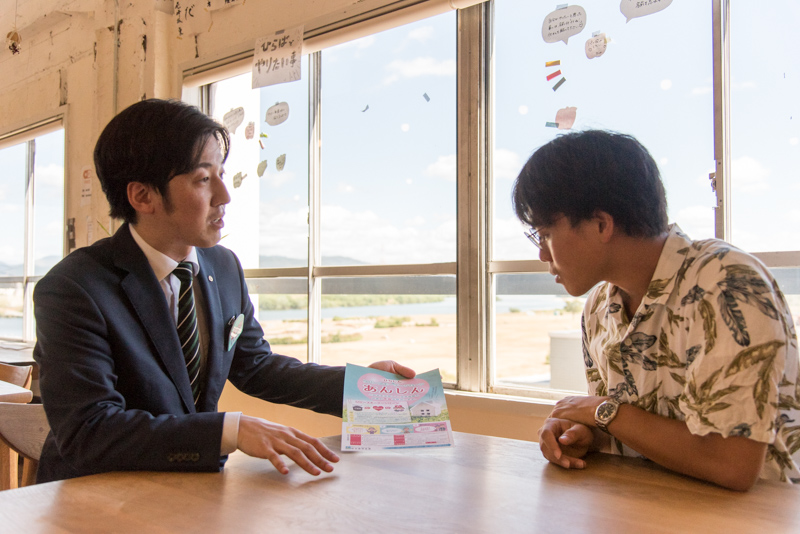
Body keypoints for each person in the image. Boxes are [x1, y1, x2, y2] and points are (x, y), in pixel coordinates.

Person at [33, 99, 414, 483]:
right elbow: (90, 431)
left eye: (222, 174)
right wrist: (231, 430)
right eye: (203, 179)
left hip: (187, 488)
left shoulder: (223, 266)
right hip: (94, 494)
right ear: (143, 196)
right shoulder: (73, 289)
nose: (224, 196)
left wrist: (360, 387)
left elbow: (257, 367)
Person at [512, 129, 800, 491]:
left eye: (544, 234)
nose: (542, 253)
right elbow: (626, 430)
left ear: (601, 224)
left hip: (758, 514)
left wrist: (603, 412)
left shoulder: (726, 284)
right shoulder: (599, 307)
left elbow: (732, 465)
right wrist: (586, 434)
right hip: (650, 506)